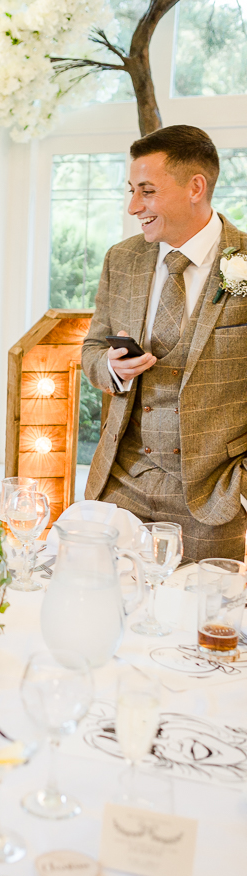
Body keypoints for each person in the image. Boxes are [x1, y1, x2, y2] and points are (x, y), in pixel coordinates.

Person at [81, 125, 247, 562]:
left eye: (147, 192)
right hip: (120, 486)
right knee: (107, 614)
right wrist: (111, 367)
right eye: (132, 191)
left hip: (214, 499)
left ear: (196, 187)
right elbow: (92, 349)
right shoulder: (123, 258)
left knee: (203, 624)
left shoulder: (244, 261)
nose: (134, 206)